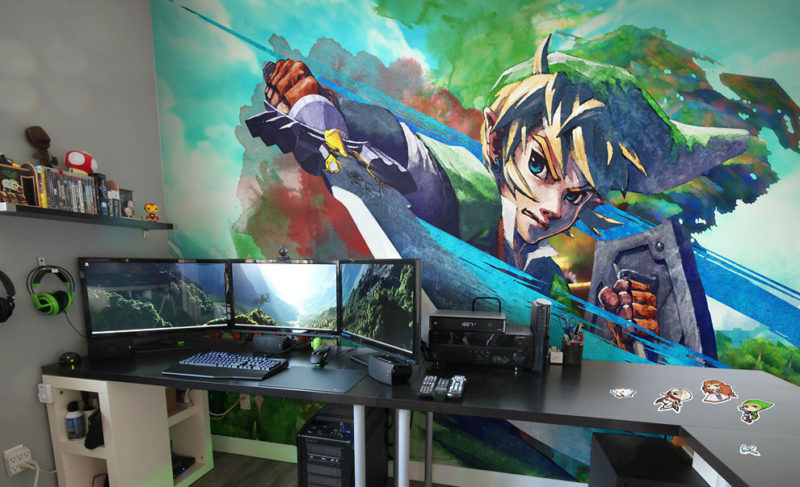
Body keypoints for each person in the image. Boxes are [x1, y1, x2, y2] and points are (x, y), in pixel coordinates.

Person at [248, 35, 749, 356]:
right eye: (539, 165)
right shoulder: (472, 190)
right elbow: (409, 153)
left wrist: (619, 336)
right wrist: (321, 108)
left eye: (576, 195)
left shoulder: (546, 269)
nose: (553, 208)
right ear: (495, 138)